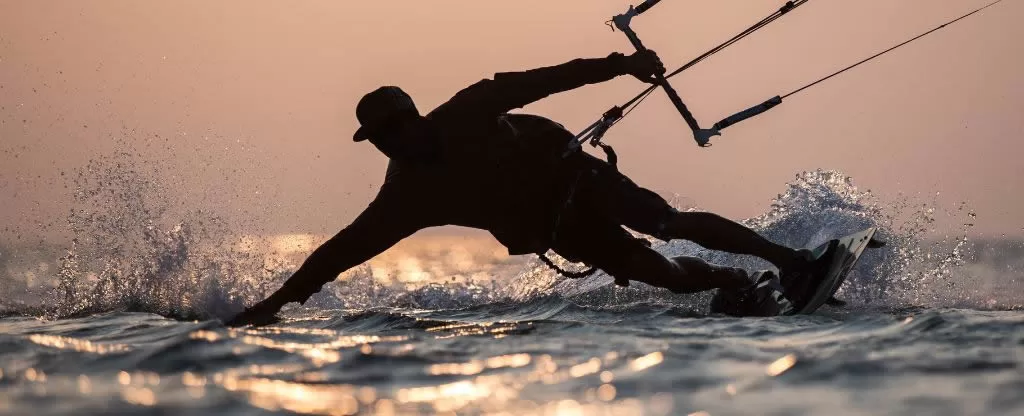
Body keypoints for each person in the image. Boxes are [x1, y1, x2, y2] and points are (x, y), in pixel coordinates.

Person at [227, 49, 821, 327]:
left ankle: (792, 261)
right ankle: (738, 281)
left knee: (663, 222)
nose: (384, 146)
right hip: (556, 228)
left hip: (574, 177)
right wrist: (273, 305)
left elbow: (543, 81)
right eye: (375, 141)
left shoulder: (465, 112)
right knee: (662, 275)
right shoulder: (406, 196)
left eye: (387, 134)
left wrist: (619, 64)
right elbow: (340, 252)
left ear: (412, 121)